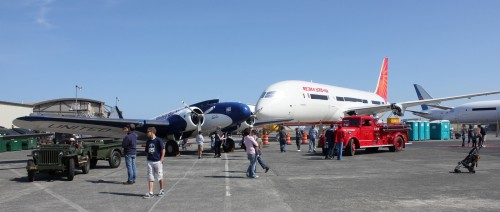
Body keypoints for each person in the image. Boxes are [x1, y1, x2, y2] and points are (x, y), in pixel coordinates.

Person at [143, 127, 166, 199]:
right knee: (150, 177)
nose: (147, 133)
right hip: (150, 161)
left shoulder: (158, 140)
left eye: (148, 132)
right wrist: (148, 158)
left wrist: (161, 159)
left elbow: (163, 149)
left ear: (152, 132)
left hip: (157, 161)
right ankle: (150, 192)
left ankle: (161, 190)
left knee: (160, 176)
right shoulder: (148, 141)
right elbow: (146, 151)